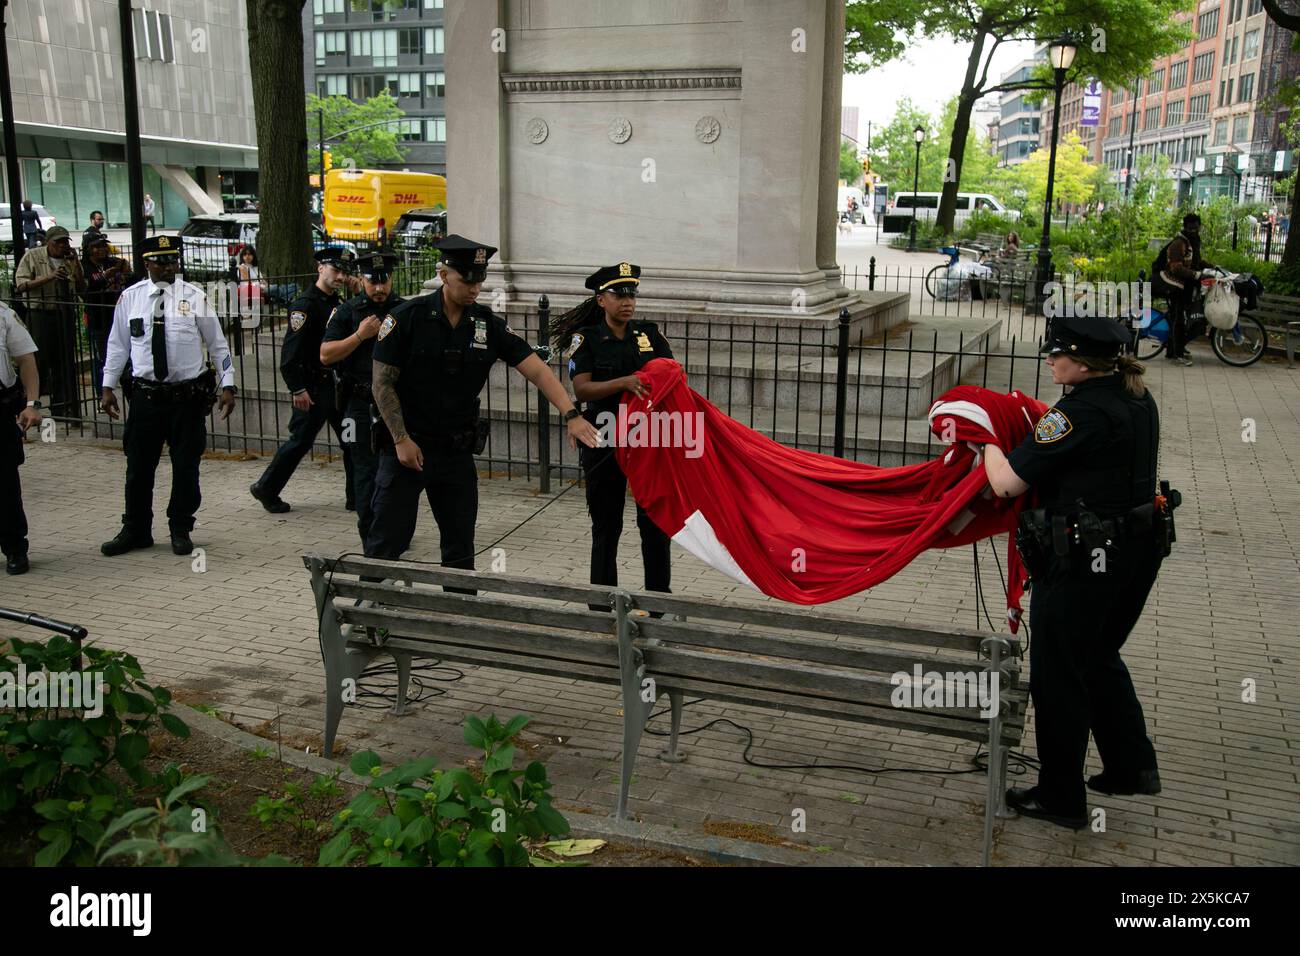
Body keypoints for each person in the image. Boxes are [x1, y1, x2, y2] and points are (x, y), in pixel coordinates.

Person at [982, 315, 1170, 830]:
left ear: (1082, 363)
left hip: (1086, 560)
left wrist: (986, 440)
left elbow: (1006, 485)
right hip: (1137, 549)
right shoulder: (1136, 396)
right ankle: (1131, 765)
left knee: (1059, 673)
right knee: (1097, 656)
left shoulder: (1078, 412)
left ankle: (1060, 797)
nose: (1048, 359)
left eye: (1056, 353)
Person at [366, 234, 601, 571]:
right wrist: (401, 439)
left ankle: (458, 615)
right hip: (407, 451)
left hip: (455, 452)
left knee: (460, 548)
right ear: (444, 275)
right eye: (466, 280)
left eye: (480, 280)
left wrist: (572, 414)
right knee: (388, 542)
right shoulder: (407, 318)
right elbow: (381, 383)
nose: (475, 288)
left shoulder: (487, 325)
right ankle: (373, 616)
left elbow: (537, 371)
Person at [99, 235, 237, 556]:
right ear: (146, 263)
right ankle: (135, 529)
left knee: (186, 466)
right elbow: (118, 346)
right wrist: (107, 386)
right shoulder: (130, 299)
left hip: (186, 400)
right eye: (161, 262)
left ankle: (180, 527)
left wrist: (227, 384)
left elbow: (218, 346)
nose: (169, 267)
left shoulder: (195, 297)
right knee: (138, 467)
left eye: (173, 261)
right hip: (146, 398)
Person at [550, 261, 674, 608]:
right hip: (603, 436)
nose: (627, 300)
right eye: (618, 294)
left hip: (648, 437)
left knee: (653, 522)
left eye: (631, 293)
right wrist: (623, 382)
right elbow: (583, 389)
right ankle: (602, 602)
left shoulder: (649, 334)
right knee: (607, 523)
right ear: (601, 299)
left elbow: (671, 373)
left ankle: (658, 600)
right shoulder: (586, 339)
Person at [250, 247, 357, 514]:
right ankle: (267, 487)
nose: (341, 276)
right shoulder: (305, 306)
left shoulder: (338, 303)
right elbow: (290, 355)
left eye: (345, 272)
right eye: (336, 270)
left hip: (338, 387)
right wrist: (297, 387)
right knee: (300, 441)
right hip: (314, 387)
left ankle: (357, 496)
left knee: (351, 440)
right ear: (320, 268)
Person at [321, 248, 402, 545]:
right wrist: (359, 335)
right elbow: (325, 355)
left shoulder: (404, 311)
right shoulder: (347, 312)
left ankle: (392, 530)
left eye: (383, 281)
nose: (378, 288)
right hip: (358, 404)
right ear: (362, 280)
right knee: (364, 468)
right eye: (372, 281)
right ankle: (371, 534)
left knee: (394, 469)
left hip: (394, 404)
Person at [13, 226, 86, 419]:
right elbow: (20, 286)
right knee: (39, 360)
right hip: (40, 314)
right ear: (48, 242)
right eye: (58, 242)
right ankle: (30, 406)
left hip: (64, 313)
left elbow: (81, 287)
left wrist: (76, 264)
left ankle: (62, 407)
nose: (62, 246)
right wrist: (49, 277)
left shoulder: (69, 259)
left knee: (64, 360)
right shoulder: (33, 256)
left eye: (65, 242)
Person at [0, 299, 42, 575]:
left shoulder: (3, 315)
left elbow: (26, 359)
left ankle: (15, 547)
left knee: (4, 484)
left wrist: (32, 403)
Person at [1152, 212, 1216, 367]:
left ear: (1199, 227)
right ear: (1185, 227)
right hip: (1173, 284)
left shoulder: (1192, 242)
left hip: (1183, 285)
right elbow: (1176, 268)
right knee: (1178, 319)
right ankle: (1176, 354)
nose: (1193, 230)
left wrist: (1212, 267)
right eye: (1190, 228)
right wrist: (1197, 275)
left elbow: (1195, 261)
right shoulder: (1178, 243)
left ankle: (1172, 350)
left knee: (1179, 317)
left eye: (1195, 228)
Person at [81, 235, 132, 393]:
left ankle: (129, 389)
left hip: (117, 313)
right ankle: (101, 393)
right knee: (102, 357)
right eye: (97, 246)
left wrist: (126, 271)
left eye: (104, 246)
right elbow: (86, 289)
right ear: (89, 249)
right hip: (97, 317)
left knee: (127, 354)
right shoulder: (84, 266)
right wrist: (105, 276)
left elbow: (130, 280)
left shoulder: (113, 262)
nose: (101, 250)